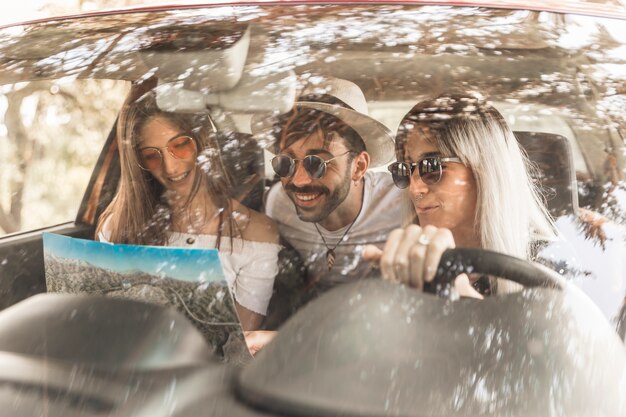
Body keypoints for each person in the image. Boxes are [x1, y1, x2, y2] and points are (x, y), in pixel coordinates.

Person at [96, 84, 281, 331]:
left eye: (180, 145)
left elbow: (240, 344)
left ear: (202, 143)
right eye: (152, 155)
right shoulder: (117, 226)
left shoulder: (255, 233)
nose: (170, 168)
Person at [363, 93, 557, 296]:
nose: (414, 189)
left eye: (431, 167)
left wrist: (462, 296)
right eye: (404, 171)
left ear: (484, 170)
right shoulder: (402, 266)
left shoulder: (549, 263)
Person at [263, 76, 405, 297]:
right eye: (285, 163)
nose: (298, 181)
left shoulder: (401, 206)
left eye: (316, 164)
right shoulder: (279, 205)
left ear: (358, 166)